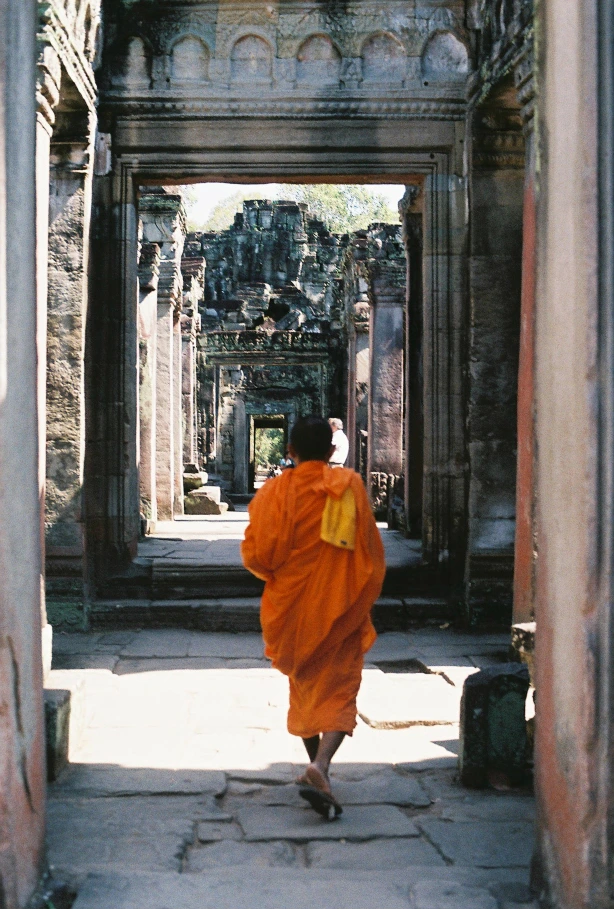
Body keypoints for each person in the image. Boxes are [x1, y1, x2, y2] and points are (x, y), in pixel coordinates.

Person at [241, 416, 385, 820]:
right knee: (339, 688)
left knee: (304, 686)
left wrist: (284, 574)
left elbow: (258, 555)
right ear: (331, 450)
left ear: (289, 451)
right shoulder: (348, 486)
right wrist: (352, 587)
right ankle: (321, 766)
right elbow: (369, 549)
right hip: (340, 604)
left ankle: (316, 766)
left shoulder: (274, 493)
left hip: (292, 607)